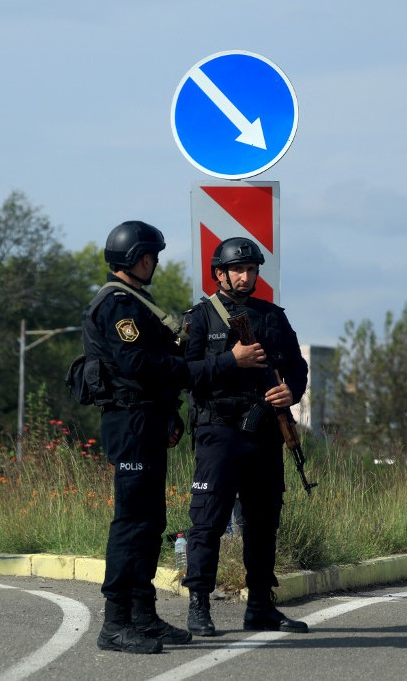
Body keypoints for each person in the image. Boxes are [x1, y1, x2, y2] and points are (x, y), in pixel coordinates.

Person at [79, 220, 220, 654]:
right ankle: (115, 623)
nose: (155, 263)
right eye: (153, 257)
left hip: (147, 420)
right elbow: (137, 364)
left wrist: (170, 413)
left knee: (150, 522)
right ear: (140, 258)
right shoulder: (120, 305)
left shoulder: (138, 301)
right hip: (130, 422)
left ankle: (143, 615)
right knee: (132, 522)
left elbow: (150, 368)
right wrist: (191, 371)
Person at [181, 237, 310, 637]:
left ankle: (260, 607)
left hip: (264, 432)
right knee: (207, 521)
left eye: (251, 269)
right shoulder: (200, 318)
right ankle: (199, 606)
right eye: (238, 269)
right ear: (219, 273)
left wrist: (292, 392)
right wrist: (230, 360)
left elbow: (297, 366)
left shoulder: (272, 317)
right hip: (218, 430)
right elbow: (184, 374)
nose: (245, 276)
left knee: (263, 520)